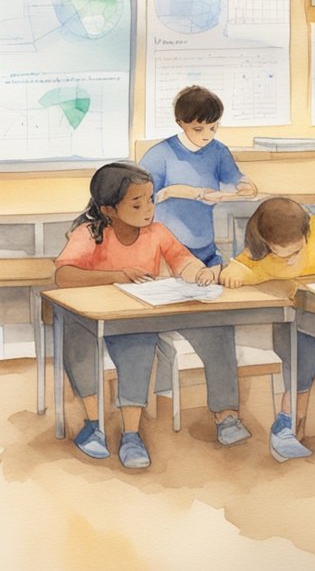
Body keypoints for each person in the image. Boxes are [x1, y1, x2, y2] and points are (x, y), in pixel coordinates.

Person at [54, 162, 209, 468]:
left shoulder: (157, 233)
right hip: (88, 317)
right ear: (109, 209)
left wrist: (199, 272)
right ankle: (93, 424)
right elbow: (64, 276)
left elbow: (182, 259)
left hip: (132, 316)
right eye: (137, 203)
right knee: (79, 341)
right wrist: (117, 275)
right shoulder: (90, 233)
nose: (148, 209)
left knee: (139, 345)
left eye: (150, 200)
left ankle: (131, 433)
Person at [140, 85, 256, 446]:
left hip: (205, 254)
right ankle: (148, 407)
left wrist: (246, 185)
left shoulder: (217, 151)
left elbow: (237, 178)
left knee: (219, 328)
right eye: (199, 129)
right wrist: (180, 191)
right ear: (181, 123)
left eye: (213, 128)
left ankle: (226, 414)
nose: (207, 136)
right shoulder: (158, 156)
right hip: (164, 258)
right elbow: (141, 203)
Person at [219, 197, 315, 461]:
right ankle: (289, 422)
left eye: (297, 251)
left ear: (306, 231)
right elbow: (240, 269)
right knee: (298, 342)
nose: (290, 262)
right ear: (265, 245)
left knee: (302, 341)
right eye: (282, 254)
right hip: (303, 322)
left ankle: (287, 423)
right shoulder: (260, 253)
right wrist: (231, 273)